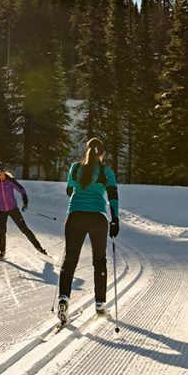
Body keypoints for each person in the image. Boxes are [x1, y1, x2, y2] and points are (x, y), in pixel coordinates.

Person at [57, 137, 120, 323]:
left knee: (70, 259)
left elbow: (69, 190)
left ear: (87, 151)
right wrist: (115, 219)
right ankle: (100, 303)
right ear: (103, 153)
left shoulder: (76, 168)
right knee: (99, 260)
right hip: (97, 218)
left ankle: (63, 298)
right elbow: (113, 196)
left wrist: (81, 189)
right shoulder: (106, 172)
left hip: (75, 216)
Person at [0, 162, 48, 260]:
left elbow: (22, 190)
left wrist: (25, 202)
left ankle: (39, 248)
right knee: (2, 231)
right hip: (1, 210)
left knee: (24, 229)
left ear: (4, 171)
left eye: (0, 171)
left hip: (13, 209)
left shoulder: (10, 181)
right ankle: (2, 252)